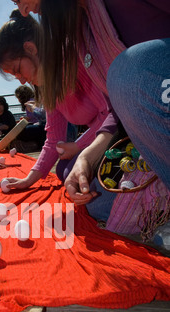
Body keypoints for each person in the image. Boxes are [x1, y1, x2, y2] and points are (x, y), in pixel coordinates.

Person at [12, 0, 170, 204]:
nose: (23, 11)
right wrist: (87, 156)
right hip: (132, 127)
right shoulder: (82, 32)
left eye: (19, 0)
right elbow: (117, 107)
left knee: (126, 72)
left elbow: (120, 93)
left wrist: (79, 146)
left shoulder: (74, 58)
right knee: (97, 203)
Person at [0, 11, 117, 223]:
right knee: (63, 169)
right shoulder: (50, 86)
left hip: (120, 134)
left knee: (95, 201)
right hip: (98, 143)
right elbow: (53, 140)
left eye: (18, 70)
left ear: (31, 49)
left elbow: (112, 113)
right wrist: (28, 179)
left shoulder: (74, 61)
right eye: (16, 77)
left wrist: (79, 147)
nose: (22, 81)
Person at [14, 84, 47, 151]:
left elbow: (39, 116)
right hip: (42, 126)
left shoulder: (29, 103)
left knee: (24, 131)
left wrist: (28, 117)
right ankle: (36, 144)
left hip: (43, 127)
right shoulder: (34, 100)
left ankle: (36, 144)